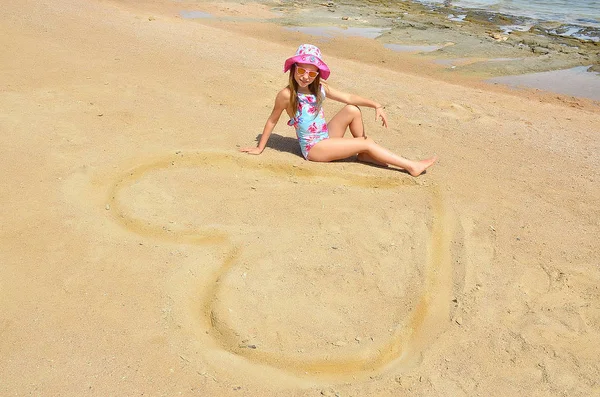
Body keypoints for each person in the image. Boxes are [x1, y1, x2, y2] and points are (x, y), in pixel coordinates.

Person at [240, 44, 437, 177]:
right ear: (293, 70)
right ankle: (411, 166)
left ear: (317, 74)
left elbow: (349, 98)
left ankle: (364, 153)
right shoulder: (286, 95)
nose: (305, 77)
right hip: (314, 149)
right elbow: (272, 120)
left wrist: (376, 104)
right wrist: (259, 148)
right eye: (301, 71)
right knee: (364, 142)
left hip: (325, 136)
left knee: (352, 109)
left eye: (311, 72)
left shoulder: (320, 89)